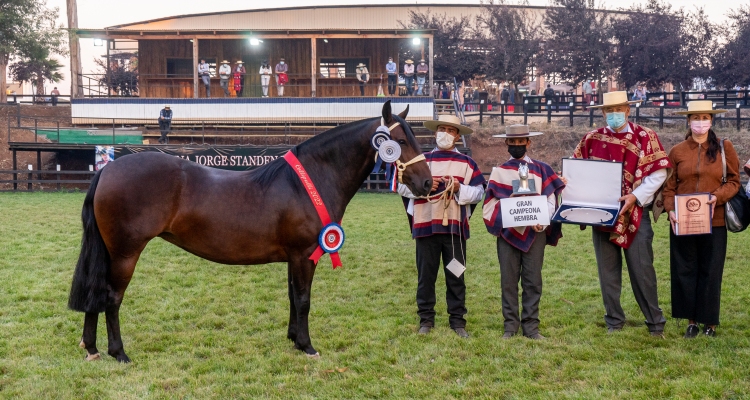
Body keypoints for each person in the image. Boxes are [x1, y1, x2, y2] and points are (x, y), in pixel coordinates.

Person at [574, 91, 671, 337]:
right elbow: (577, 171)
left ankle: (655, 322)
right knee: (607, 272)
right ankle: (614, 320)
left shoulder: (645, 137)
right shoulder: (591, 138)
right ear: (603, 112)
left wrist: (635, 197)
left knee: (642, 270)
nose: (614, 114)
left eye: (619, 110)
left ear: (628, 111)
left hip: (635, 214)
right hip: (601, 215)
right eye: (609, 110)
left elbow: (658, 173)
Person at [397, 114, 486, 338]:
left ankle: (458, 321)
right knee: (425, 276)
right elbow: (401, 188)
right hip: (426, 226)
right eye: (442, 129)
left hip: (454, 231)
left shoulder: (468, 163)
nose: (445, 133)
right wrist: (424, 187)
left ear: (457, 136)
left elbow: (479, 192)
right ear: (435, 131)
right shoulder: (420, 160)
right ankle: (426, 319)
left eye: (450, 130)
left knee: (456, 276)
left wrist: (459, 188)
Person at [663, 100, 740, 338]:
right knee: (685, 269)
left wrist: (717, 197)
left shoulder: (724, 148)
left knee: (711, 270)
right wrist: (670, 210)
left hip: (714, 221)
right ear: (688, 121)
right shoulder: (677, 151)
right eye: (696, 118)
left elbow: (735, 182)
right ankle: (691, 321)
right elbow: (668, 187)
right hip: (683, 222)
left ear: (711, 120)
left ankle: (710, 322)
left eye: (705, 118)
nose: (700, 123)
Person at [484, 124, 566, 340]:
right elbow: (490, 205)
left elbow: (551, 199)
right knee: (508, 281)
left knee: (533, 280)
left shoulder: (542, 169)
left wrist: (543, 221)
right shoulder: (499, 172)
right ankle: (510, 326)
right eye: (513, 142)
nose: (517, 146)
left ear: (529, 143)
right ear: (506, 144)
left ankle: (531, 327)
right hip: (507, 235)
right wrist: (506, 212)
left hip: (535, 234)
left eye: (521, 142)